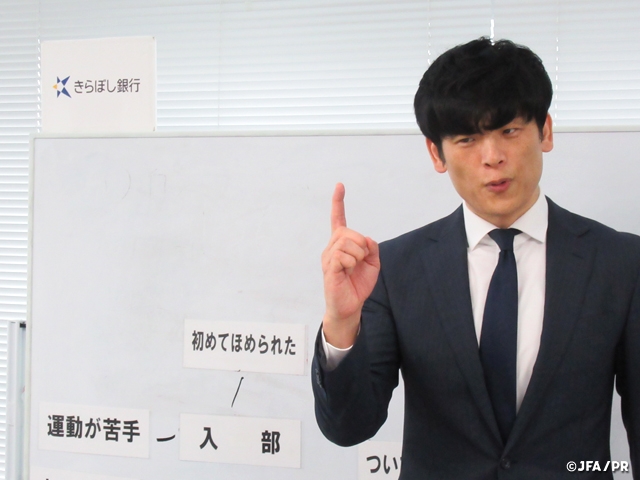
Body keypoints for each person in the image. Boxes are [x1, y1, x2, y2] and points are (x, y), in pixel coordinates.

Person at [311, 37, 640, 479]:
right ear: (436, 153)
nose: (493, 158)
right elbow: (349, 427)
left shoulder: (621, 263)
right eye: (467, 138)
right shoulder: (395, 268)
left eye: (509, 131)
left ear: (545, 131)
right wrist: (341, 324)